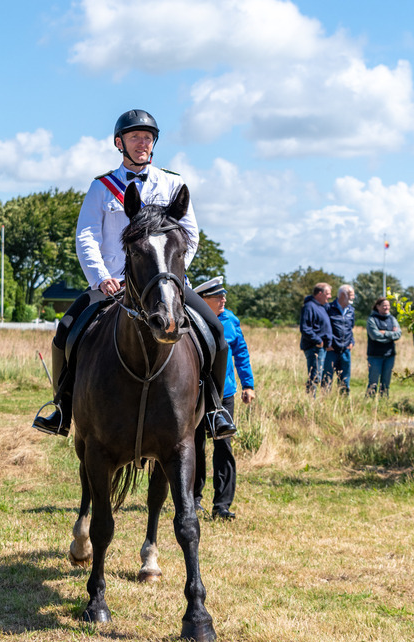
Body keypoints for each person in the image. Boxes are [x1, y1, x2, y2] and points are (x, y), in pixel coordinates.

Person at [33, 109, 236, 440]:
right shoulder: (101, 188)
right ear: (119, 143)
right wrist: (100, 277)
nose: (142, 143)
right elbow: (86, 235)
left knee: (214, 331)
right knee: (66, 329)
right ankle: (62, 409)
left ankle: (214, 410)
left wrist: (169, 273)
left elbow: (190, 235)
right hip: (112, 283)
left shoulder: (173, 183)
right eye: (134, 137)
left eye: (147, 138)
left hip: (162, 284)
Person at [192, 277, 255, 521]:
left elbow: (241, 353)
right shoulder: (191, 318)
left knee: (223, 447)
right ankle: (194, 499)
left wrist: (248, 384)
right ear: (203, 300)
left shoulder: (230, 320)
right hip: (196, 393)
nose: (223, 300)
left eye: (223, 296)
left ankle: (222, 505)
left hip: (224, 393)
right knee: (195, 446)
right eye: (218, 297)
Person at [299, 283, 332, 394]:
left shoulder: (321, 307)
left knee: (318, 375)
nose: (330, 296)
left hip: (321, 348)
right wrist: (318, 341)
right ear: (319, 294)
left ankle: (314, 401)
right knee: (314, 377)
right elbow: (305, 328)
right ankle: (310, 401)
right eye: (327, 294)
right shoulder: (309, 307)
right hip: (314, 348)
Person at [322, 284, 356, 394]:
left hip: (345, 350)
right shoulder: (328, 308)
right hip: (331, 350)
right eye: (351, 295)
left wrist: (352, 342)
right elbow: (323, 327)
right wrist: (327, 343)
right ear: (342, 295)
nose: (353, 297)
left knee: (345, 380)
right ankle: (324, 402)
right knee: (327, 379)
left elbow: (350, 328)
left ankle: (344, 404)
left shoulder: (351, 310)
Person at [366, 297, 401, 397]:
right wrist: (391, 336)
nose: (387, 307)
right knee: (373, 382)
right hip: (375, 356)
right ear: (378, 306)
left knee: (386, 383)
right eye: (384, 305)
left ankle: (384, 403)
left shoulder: (392, 319)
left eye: (388, 305)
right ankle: (369, 402)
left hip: (389, 355)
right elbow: (375, 336)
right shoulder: (372, 319)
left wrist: (385, 333)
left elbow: (398, 334)